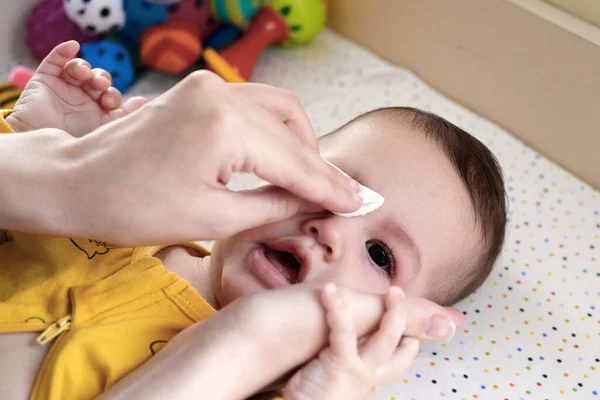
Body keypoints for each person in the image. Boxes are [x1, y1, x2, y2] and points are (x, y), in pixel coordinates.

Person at [0, 41, 506, 399]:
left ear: (389, 326)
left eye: (380, 254)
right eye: (327, 181)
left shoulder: (268, 381)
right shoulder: (135, 221)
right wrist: (46, 147)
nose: (330, 227)